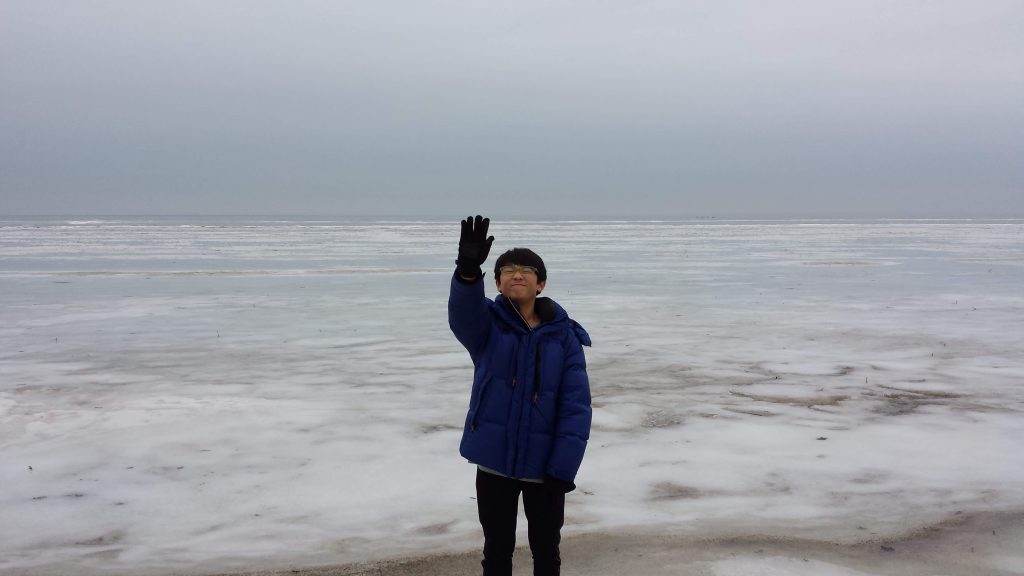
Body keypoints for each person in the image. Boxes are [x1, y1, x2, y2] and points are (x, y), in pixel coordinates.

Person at [448, 215, 592, 576]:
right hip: (494, 461)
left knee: (546, 552)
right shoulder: (486, 327)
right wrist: (467, 272)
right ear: (497, 282)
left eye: (527, 270)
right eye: (508, 270)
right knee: (496, 551)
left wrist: (563, 467)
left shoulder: (564, 337)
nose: (517, 275)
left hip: (545, 468)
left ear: (541, 283)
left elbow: (575, 407)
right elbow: (463, 314)